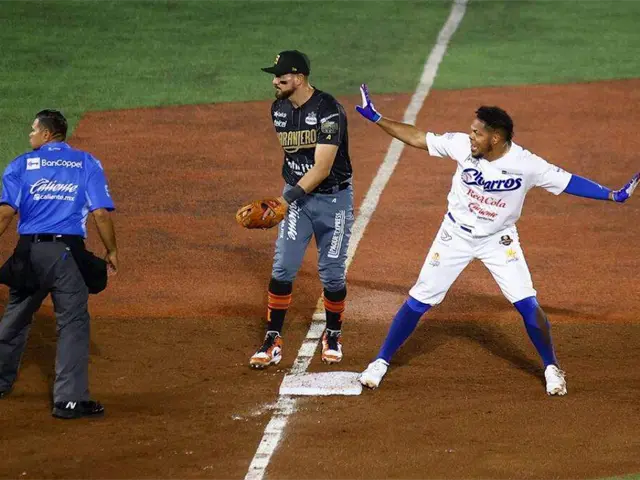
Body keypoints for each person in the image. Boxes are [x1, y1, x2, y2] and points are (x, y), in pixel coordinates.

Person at [354, 84, 639, 395]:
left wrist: (612, 195)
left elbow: (568, 181)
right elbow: (419, 138)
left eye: (476, 133)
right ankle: (381, 361)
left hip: (498, 240)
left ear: (495, 138)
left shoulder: (527, 165)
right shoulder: (461, 146)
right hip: (454, 236)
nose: (470, 137)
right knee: (419, 299)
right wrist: (377, 118)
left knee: (527, 303)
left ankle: (551, 366)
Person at [0, 109, 118, 418]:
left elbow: (6, 213)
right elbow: (100, 213)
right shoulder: (86, 163)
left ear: (47, 134)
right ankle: (69, 400)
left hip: (28, 253)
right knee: (73, 323)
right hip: (66, 254)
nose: (30, 134)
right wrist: (112, 250)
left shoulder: (21, 164)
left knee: (15, 318)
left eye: (33, 129)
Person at [249, 50, 355, 368]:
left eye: (281, 77)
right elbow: (294, 157)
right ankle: (272, 339)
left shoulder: (329, 110)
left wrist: (285, 200)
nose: (275, 82)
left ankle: (333, 333)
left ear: (299, 78)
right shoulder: (278, 110)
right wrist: (290, 196)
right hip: (297, 199)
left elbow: (322, 168)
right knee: (283, 267)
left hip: (333, 201)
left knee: (332, 274)